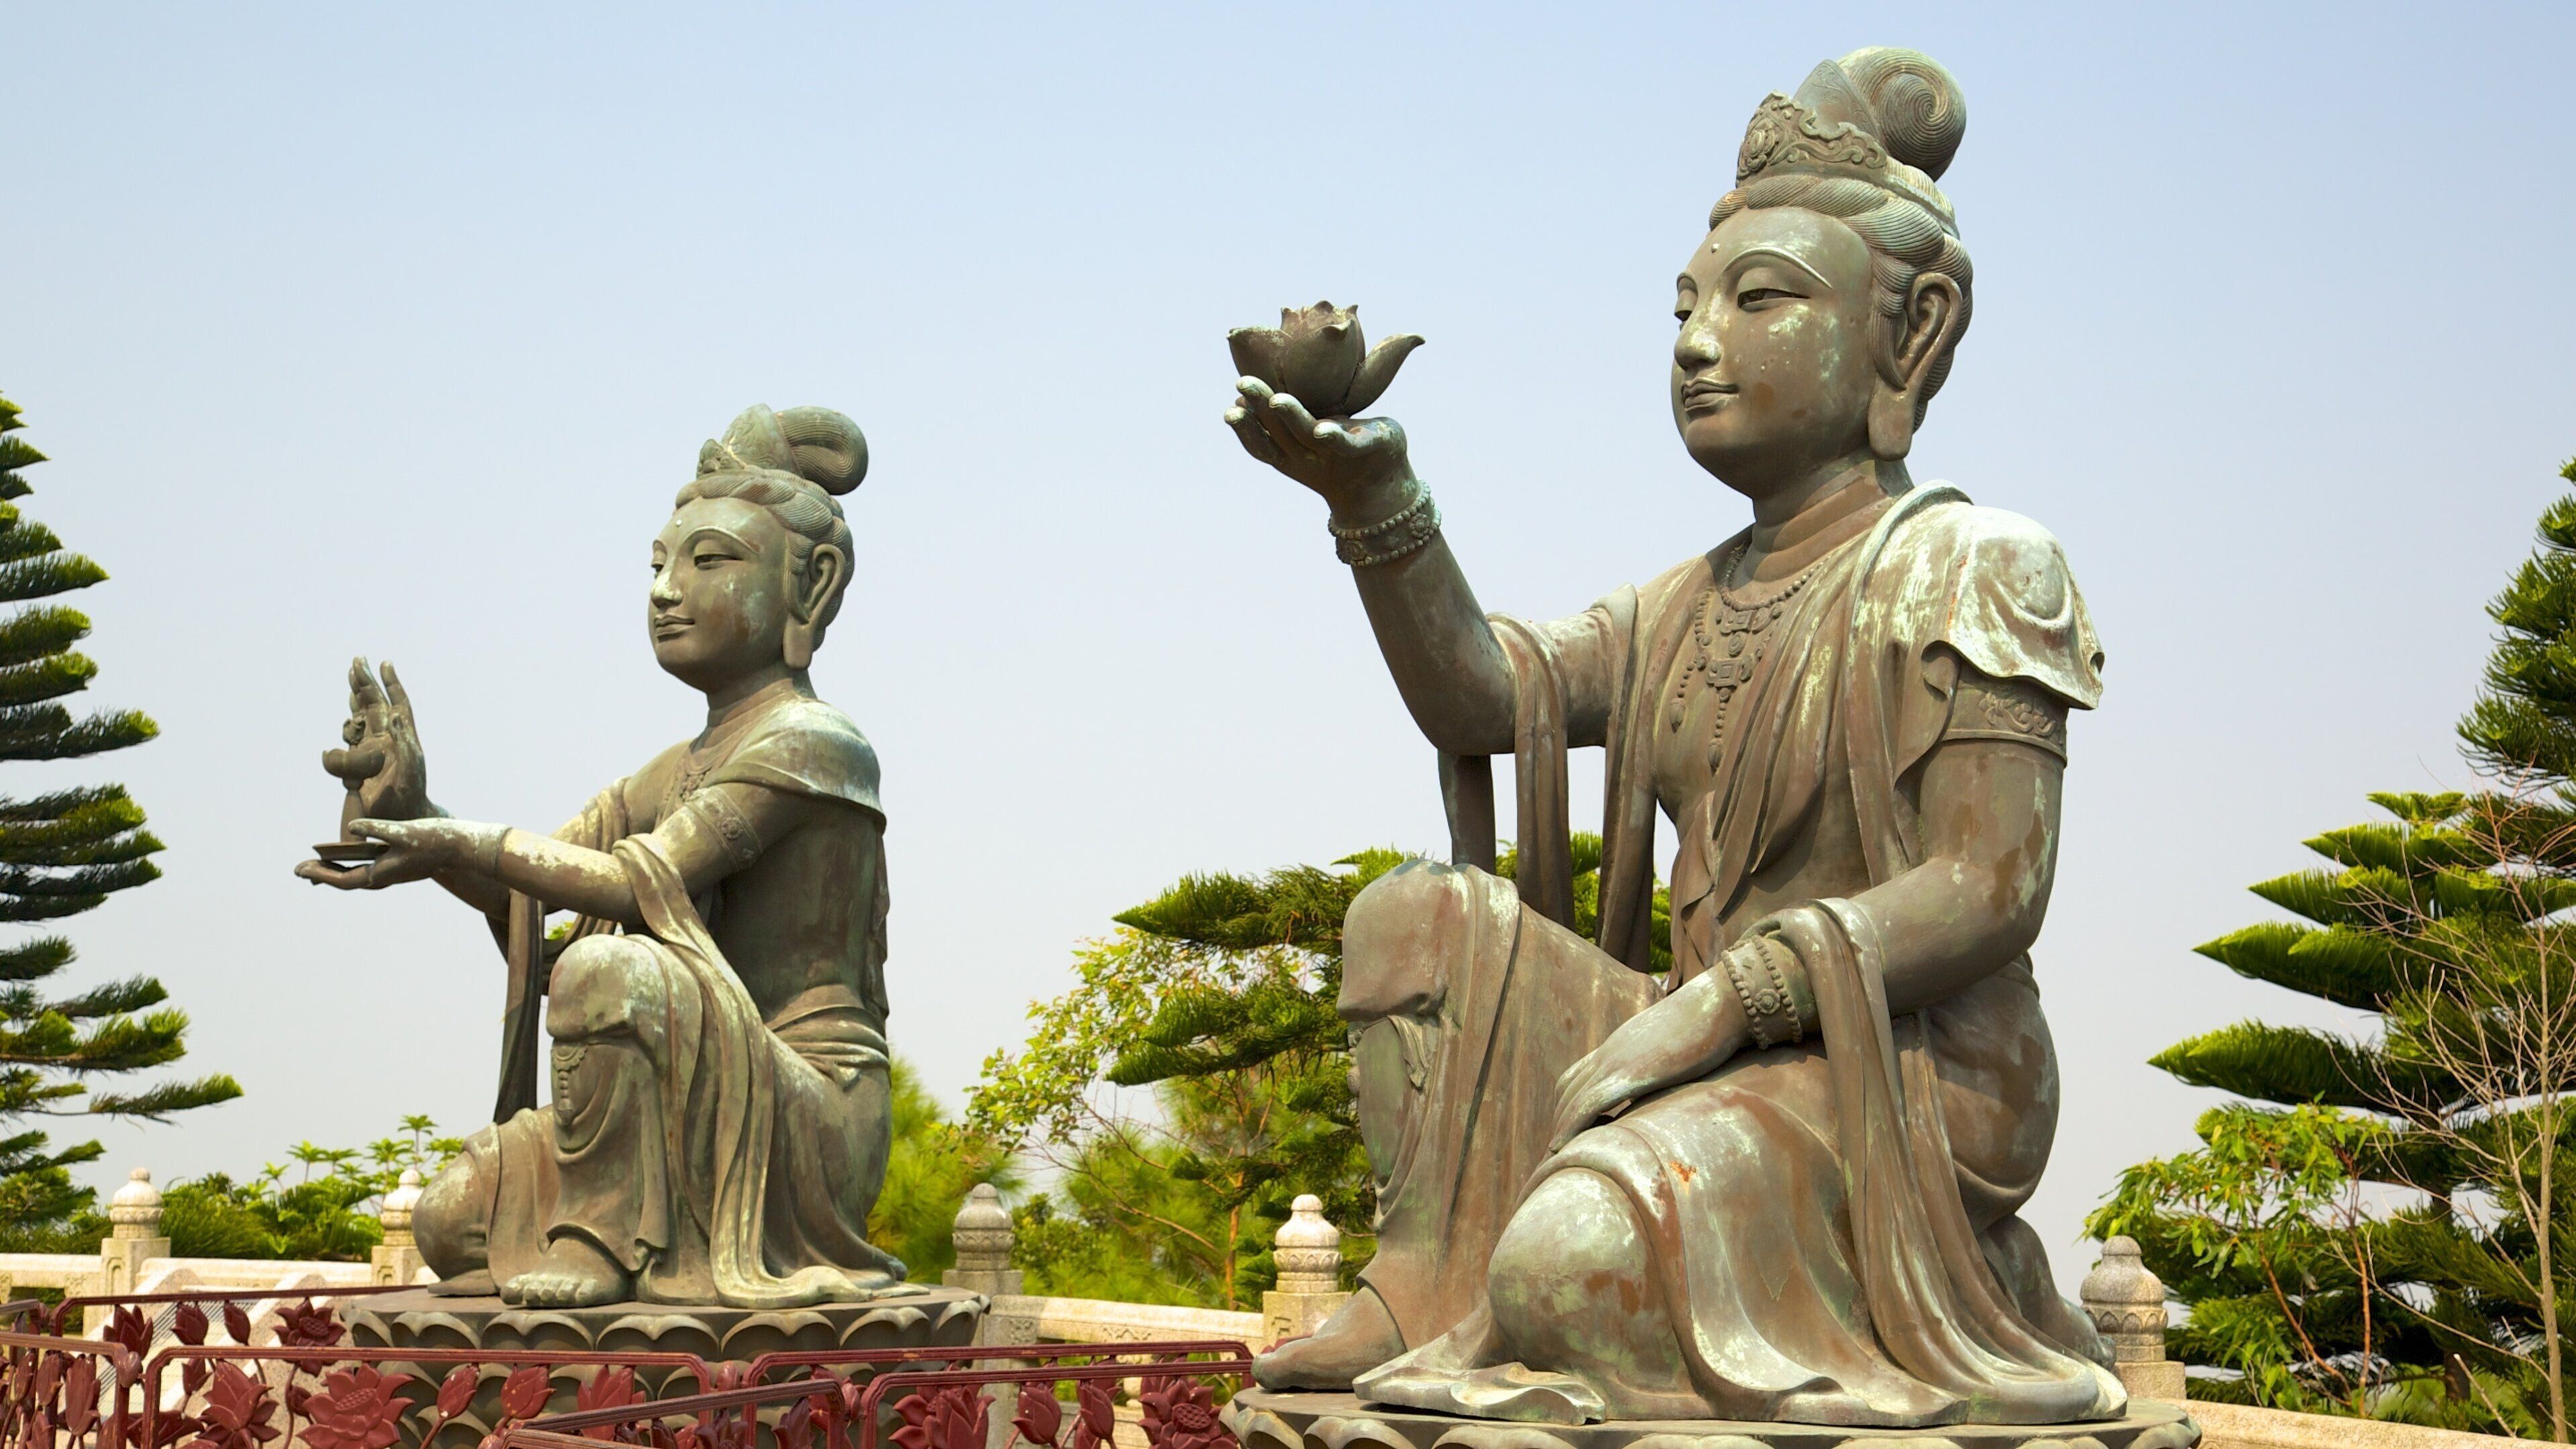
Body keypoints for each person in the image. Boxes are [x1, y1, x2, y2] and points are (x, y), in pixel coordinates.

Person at [1223, 48, 2124, 1428]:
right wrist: (1378, 504)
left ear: (1911, 335)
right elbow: (1481, 696)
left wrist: (1729, 1001)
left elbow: (1989, 888)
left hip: (1906, 1077)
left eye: (1763, 301)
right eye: (1688, 306)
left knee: (1570, 1267)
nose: (1699, 341)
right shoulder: (1679, 607)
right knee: (1413, 915)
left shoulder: (1977, 564)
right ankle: (1416, 1279)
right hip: (1703, 1051)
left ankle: (1606, 1256)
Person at [297, 405, 911, 1310]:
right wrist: (418, 818)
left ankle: (601, 1237)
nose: (667, 588)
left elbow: (628, 882)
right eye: (659, 564)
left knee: (606, 968)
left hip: (801, 1111)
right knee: (450, 1222)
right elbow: (536, 882)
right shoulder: (669, 771)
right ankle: (623, 1232)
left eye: (711, 560)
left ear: (809, 586)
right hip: (674, 1105)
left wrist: (458, 841)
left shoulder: (815, 742)